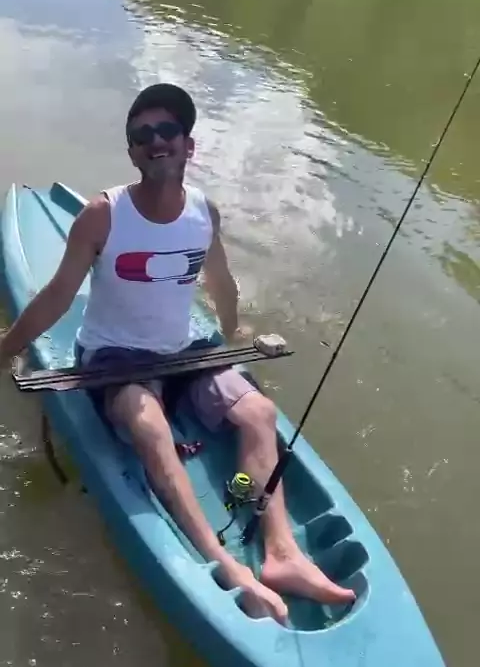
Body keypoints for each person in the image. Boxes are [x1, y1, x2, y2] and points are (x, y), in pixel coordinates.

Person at [0, 83, 355, 624]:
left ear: (189, 145)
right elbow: (58, 295)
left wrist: (235, 334)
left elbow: (221, 282)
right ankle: (226, 564)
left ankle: (281, 552)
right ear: (133, 152)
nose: (155, 141)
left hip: (186, 350)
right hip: (114, 357)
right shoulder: (103, 215)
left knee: (259, 412)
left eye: (167, 130)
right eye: (141, 135)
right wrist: (6, 348)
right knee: (149, 424)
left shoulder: (204, 213)